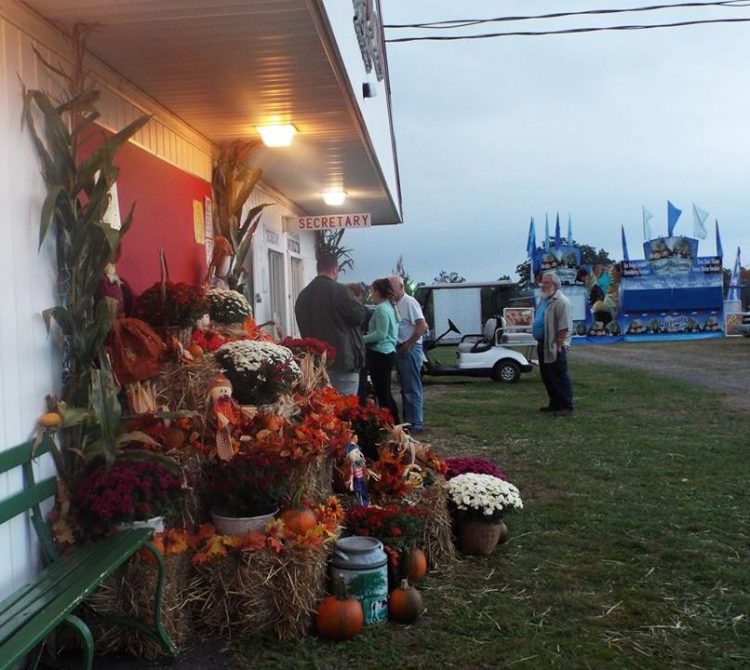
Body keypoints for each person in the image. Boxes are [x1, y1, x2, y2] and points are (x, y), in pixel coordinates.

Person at [295, 254, 367, 396]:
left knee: (323, 409)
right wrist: (357, 300)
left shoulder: (303, 296)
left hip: (314, 365)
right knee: (344, 408)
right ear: (335, 270)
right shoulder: (339, 290)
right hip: (342, 361)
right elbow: (359, 316)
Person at [388, 275, 428, 432]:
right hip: (401, 347)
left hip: (410, 348)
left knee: (412, 386)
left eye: (391, 287)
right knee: (405, 386)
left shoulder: (409, 302)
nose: (390, 290)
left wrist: (409, 343)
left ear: (401, 286)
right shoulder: (394, 304)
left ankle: (416, 422)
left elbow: (422, 325)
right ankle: (408, 421)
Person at [532, 271, 574, 416]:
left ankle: (565, 405)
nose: (543, 285)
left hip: (554, 344)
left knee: (558, 374)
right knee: (547, 375)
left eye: (547, 283)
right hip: (542, 343)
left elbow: (563, 327)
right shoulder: (543, 300)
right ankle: (554, 403)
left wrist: (558, 345)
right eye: (542, 282)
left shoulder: (561, 302)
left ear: (555, 285)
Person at [362, 278, 400, 423]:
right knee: (385, 391)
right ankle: (396, 423)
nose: (371, 294)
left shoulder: (381, 309)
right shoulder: (390, 307)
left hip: (380, 353)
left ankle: (391, 424)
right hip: (388, 353)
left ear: (378, 292)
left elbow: (381, 334)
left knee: (382, 393)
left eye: (372, 291)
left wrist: (361, 338)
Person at [347, 282, 371, 405]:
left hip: (355, 352)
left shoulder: (362, 311)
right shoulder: (363, 310)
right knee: (360, 384)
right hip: (359, 352)